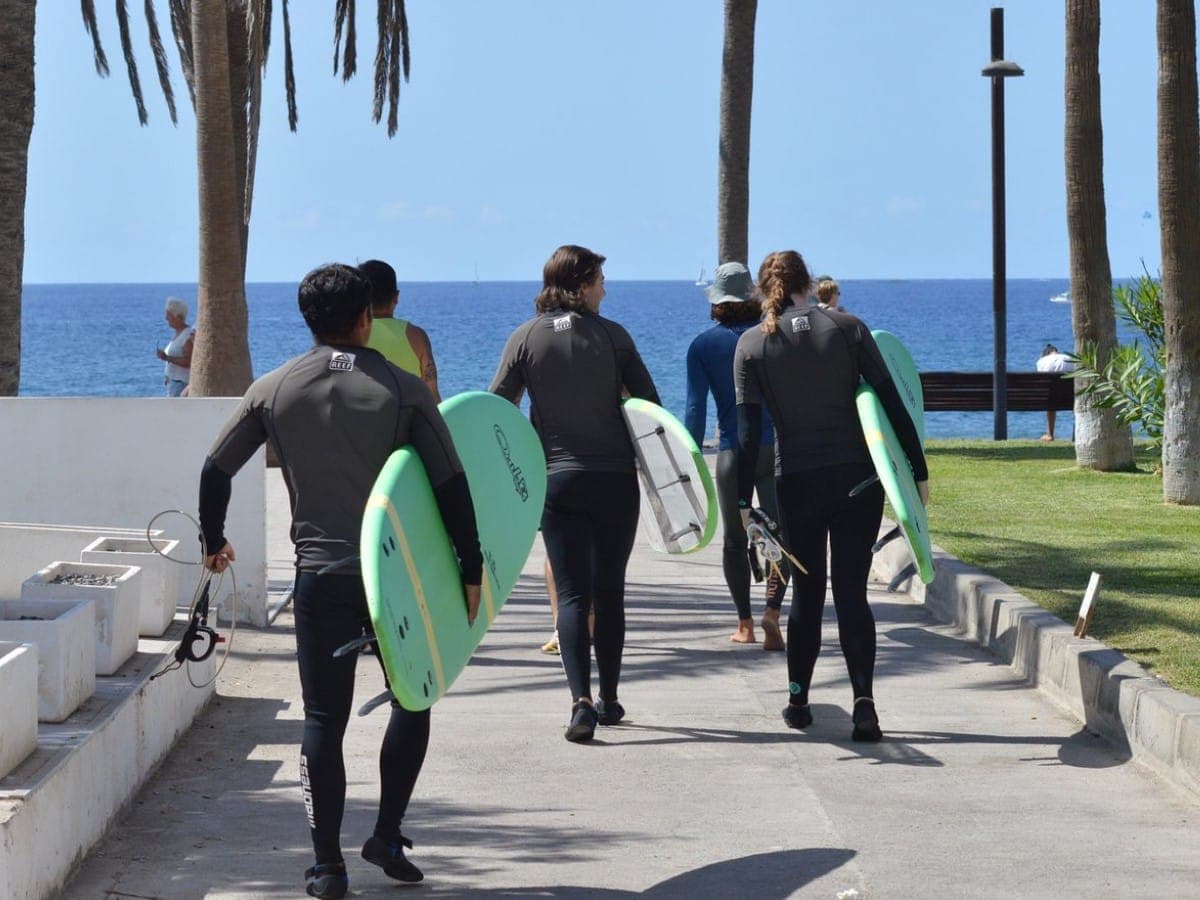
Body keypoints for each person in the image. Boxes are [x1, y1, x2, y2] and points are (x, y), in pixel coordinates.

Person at [197, 264, 482, 898]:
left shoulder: (273, 389)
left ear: (309, 320)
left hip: (320, 577)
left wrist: (213, 541)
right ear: (367, 319)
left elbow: (215, 470)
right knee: (414, 698)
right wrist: (471, 568)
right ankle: (385, 831)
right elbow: (452, 485)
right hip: (395, 578)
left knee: (324, 721)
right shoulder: (405, 390)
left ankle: (328, 867)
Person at [734, 250, 928, 743]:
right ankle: (864, 705)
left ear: (763, 290)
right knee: (851, 593)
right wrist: (916, 474)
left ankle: (798, 699)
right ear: (807, 282)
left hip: (796, 483)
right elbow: (890, 402)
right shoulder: (849, 328)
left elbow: (746, 434)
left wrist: (742, 503)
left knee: (807, 594)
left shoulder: (752, 345)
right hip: (857, 483)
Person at [490, 244, 660, 743]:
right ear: (582, 284)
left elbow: (497, 408)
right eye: (600, 280)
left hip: (556, 481)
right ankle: (609, 699)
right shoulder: (613, 336)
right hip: (612, 480)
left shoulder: (524, 338)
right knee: (609, 591)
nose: (605, 289)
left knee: (570, 594)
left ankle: (579, 703)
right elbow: (651, 405)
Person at [684, 261, 788, 651]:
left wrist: (690, 459)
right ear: (753, 297)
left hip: (732, 452)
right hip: (777, 450)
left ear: (716, 301)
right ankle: (773, 613)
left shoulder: (702, 347)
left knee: (733, 540)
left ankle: (744, 623)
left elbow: (696, 410)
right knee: (783, 534)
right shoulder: (774, 336)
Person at [358, 259, 441, 401]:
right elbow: (432, 393)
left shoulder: (350, 335)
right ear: (396, 297)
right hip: (408, 420)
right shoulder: (416, 336)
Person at [156, 296, 194, 396]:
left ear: (177, 316)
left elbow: (189, 361)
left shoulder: (187, 335)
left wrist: (167, 358)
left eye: (168, 315)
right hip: (173, 383)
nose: (166, 318)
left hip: (180, 384)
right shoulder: (178, 333)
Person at [1036, 344, 1075, 441]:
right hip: (1072, 399)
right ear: (1056, 351)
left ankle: (1050, 435)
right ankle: (1076, 435)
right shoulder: (1070, 358)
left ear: (1045, 354)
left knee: (1051, 399)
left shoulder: (1041, 362)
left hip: (1051, 400)